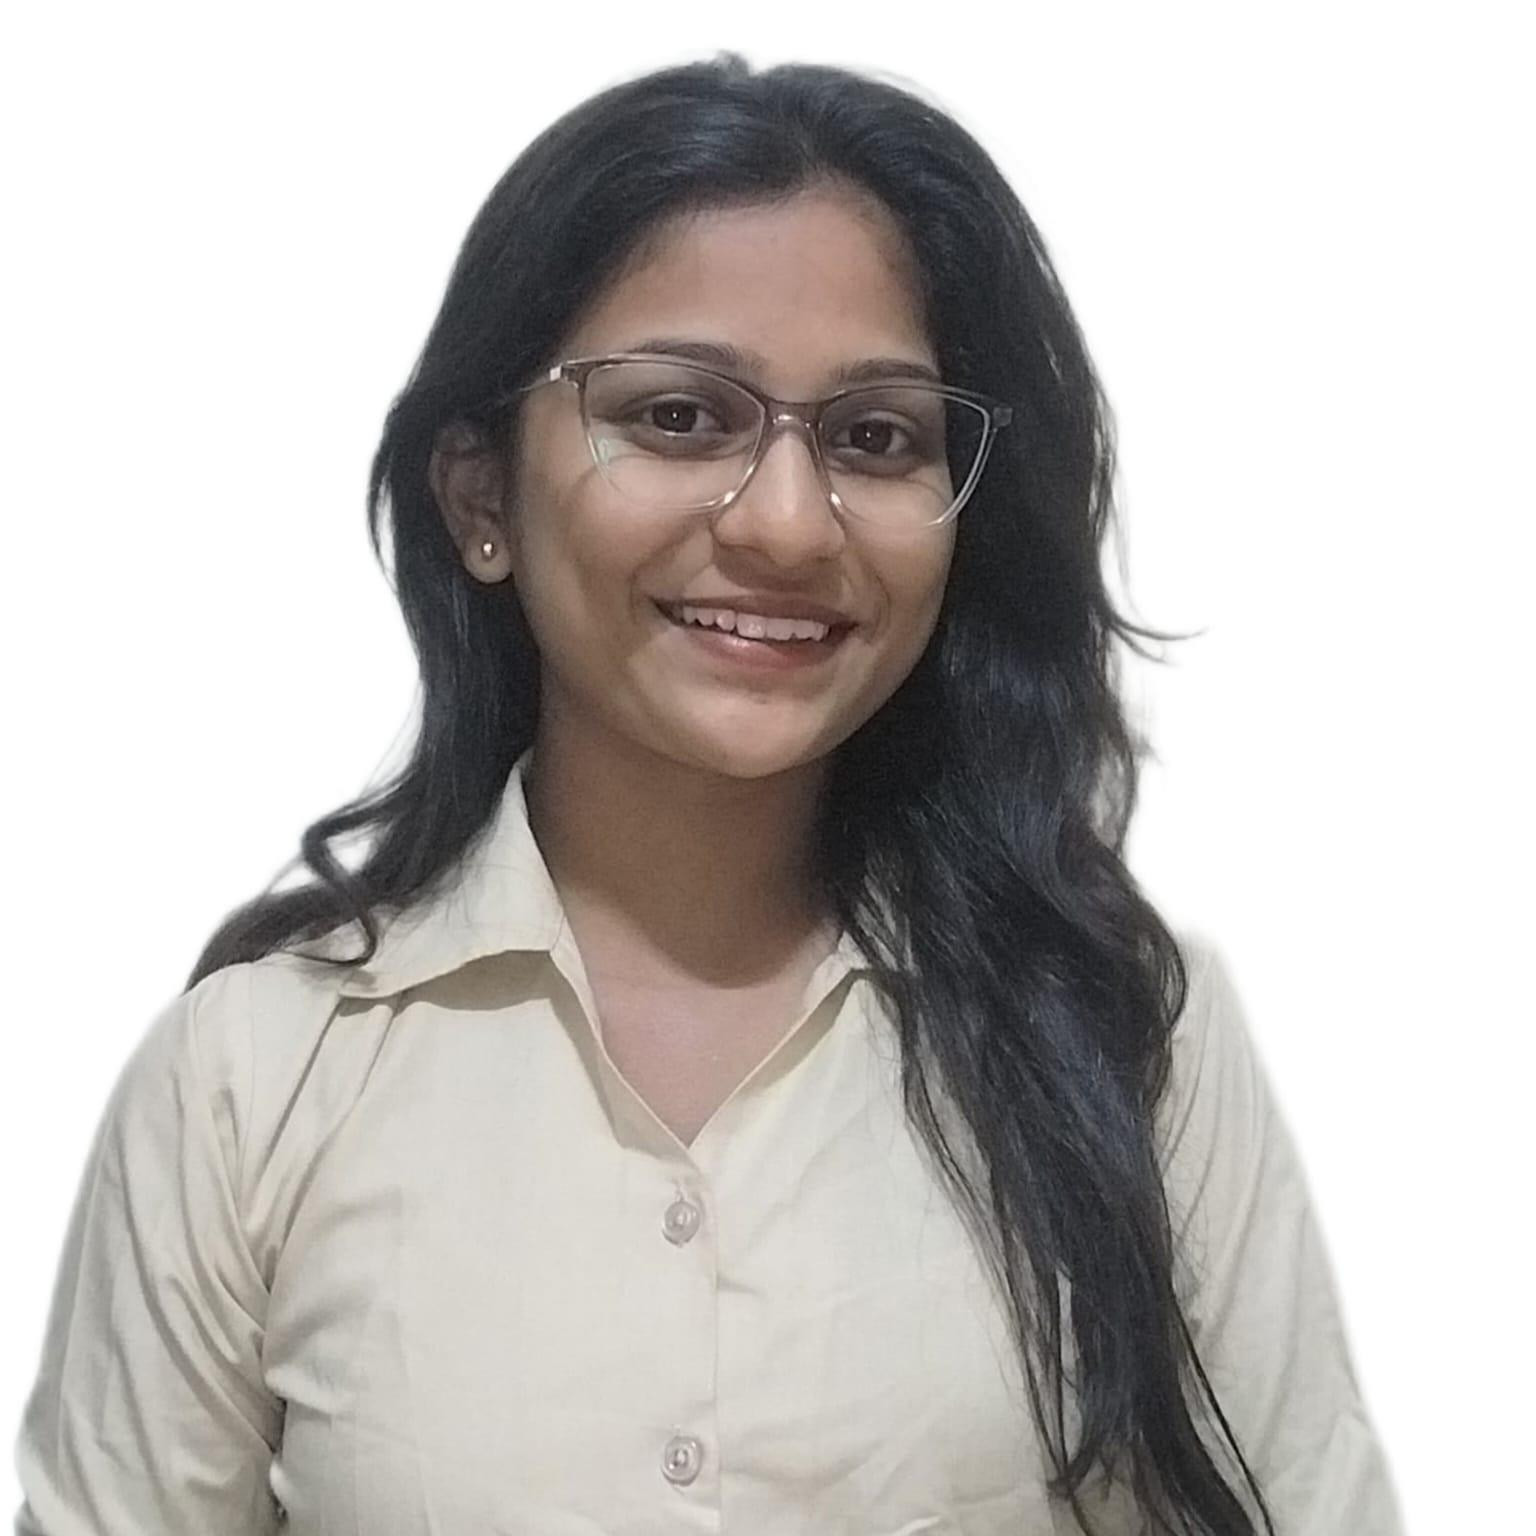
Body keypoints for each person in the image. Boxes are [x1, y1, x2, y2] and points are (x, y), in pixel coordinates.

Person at [11, 53, 1403, 1536]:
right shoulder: (252, 1081)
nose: (790, 526)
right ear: (480, 496)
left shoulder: (1129, 1037)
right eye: (680, 416)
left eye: (877, 437)